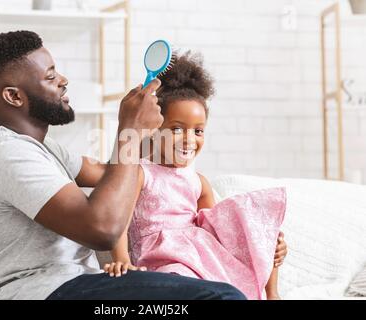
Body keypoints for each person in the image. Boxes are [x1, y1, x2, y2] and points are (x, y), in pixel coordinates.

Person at [0, 30, 246, 300]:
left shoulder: (45, 150)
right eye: (50, 76)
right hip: (49, 291)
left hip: (87, 285)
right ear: (14, 96)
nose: (63, 80)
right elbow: (102, 228)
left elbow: (115, 174)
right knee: (221, 296)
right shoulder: (5, 152)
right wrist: (130, 129)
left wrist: (154, 132)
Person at [103, 52, 288, 300]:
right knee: (184, 283)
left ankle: (272, 294)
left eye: (198, 131)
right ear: (154, 129)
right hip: (163, 259)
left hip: (201, 256)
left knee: (258, 222)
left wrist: (262, 239)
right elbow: (119, 221)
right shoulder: (141, 173)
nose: (189, 139)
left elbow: (218, 228)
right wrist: (122, 260)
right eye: (177, 129)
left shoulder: (197, 181)